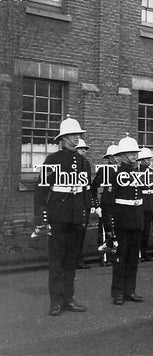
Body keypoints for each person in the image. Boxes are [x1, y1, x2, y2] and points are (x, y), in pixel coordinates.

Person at [34, 115, 89, 316]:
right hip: (58, 217)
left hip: (75, 218)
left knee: (71, 260)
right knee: (57, 260)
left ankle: (68, 299)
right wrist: (41, 219)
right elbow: (40, 192)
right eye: (73, 135)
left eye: (78, 135)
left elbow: (85, 192)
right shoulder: (52, 160)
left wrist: (84, 214)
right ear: (63, 137)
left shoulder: (84, 162)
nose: (76, 138)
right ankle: (55, 302)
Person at [103, 134, 145, 305]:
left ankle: (130, 291)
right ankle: (118, 292)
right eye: (130, 153)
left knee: (133, 257)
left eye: (135, 152)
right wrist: (110, 227)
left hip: (136, 220)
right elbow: (107, 203)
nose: (135, 155)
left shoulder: (139, 173)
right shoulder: (114, 174)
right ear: (122, 156)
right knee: (120, 258)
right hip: (122, 221)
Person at [91, 143, 119, 266]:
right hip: (106, 205)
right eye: (115, 156)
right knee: (105, 231)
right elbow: (93, 188)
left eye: (119, 155)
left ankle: (115, 257)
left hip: (118, 205)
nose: (117, 158)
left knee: (116, 231)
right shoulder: (103, 170)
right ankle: (104, 259)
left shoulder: (122, 170)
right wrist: (96, 205)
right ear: (109, 157)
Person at [74, 138, 93, 269]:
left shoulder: (86, 163)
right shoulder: (71, 164)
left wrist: (89, 204)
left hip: (84, 202)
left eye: (85, 150)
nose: (84, 151)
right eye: (81, 149)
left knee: (81, 233)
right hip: (73, 203)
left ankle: (79, 259)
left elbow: (88, 185)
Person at [137, 147, 153, 262]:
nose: (149, 161)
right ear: (142, 159)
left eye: (149, 158)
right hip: (141, 203)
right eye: (147, 158)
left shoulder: (151, 172)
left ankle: (144, 252)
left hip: (150, 203)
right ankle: (138, 253)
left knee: (147, 231)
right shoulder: (137, 172)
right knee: (140, 229)